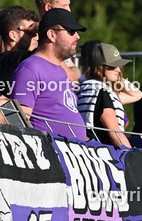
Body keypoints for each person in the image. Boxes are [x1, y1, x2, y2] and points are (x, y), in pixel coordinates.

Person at [11, 8, 87, 140]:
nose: (77, 36)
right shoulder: (30, 69)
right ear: (52, 35)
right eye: (71, 31)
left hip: (72, 154)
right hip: (50, 154)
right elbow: (19, 123)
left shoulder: (60, 69)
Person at [76, 40, 134, 147]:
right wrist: (133, 156)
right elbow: (115, 133)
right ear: (100, 67)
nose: (119, 69)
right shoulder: (101, 91)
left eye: (119, 65)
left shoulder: (82, 86)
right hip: (103, 153)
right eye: (113, 66)